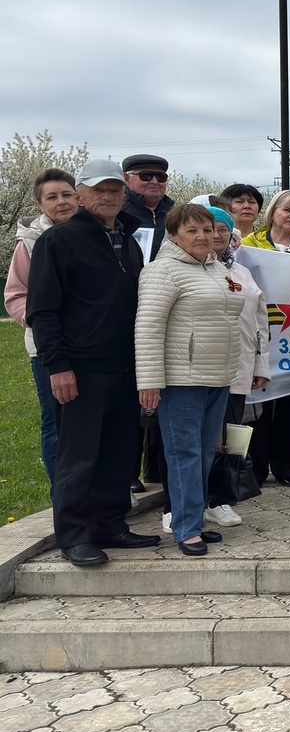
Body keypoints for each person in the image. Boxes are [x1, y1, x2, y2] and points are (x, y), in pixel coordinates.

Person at [28, 159, 154, 566]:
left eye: (115, 190)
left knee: (119, 451)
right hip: (80, 367)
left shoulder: (130, 242)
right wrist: (58, 365)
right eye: (99, 189)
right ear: (80, 194)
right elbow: (43, 310)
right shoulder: (59, 241)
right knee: (78, 455)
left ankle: (110, 525)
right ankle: (75, 535)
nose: (108, 197)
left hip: (124, 366)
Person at [134, 204, 247, 556]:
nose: (203, 236)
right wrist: (149, 381)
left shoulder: (216, 269)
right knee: (183, 453)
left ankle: (194, 519)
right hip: (182, 379)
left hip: (218, 375)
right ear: (174, 235)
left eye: (208, 229)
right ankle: (184, 528)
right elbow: (149, 328)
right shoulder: (162, 271)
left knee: (204, 454)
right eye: (192, 231)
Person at [241, 190, 290, 484]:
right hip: (261, 334)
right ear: (273, 212)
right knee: (261, 402)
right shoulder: (250, 244)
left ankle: (289, 467)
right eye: (287, 210)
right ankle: (257, 468)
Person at [6, 168, 77, 481]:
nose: (61, 202)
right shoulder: (31, 242)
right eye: (52, 197)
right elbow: (16, 295)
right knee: (57, 425)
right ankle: (61, 498)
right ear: (41, 204)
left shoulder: (97, 234)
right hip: (49, 348)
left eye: (66, 194)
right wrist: (40, 320)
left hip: (92, 345)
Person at [206, 205, 267, 528]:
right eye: (209, 228)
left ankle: (221, 499)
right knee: (192, 439)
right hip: (198, 369)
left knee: (230, 437)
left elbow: (260, 323)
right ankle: (178, 504)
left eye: (222, 230)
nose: (215, 235)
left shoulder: (243, 273)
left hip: (239, 367)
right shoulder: (185, 267)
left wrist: (261, 364)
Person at [120, 153, 173, 258]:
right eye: (146, 176)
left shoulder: (176, 215)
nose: (154, 181)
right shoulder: (116, 214)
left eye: (161, 177)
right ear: (126, 178)